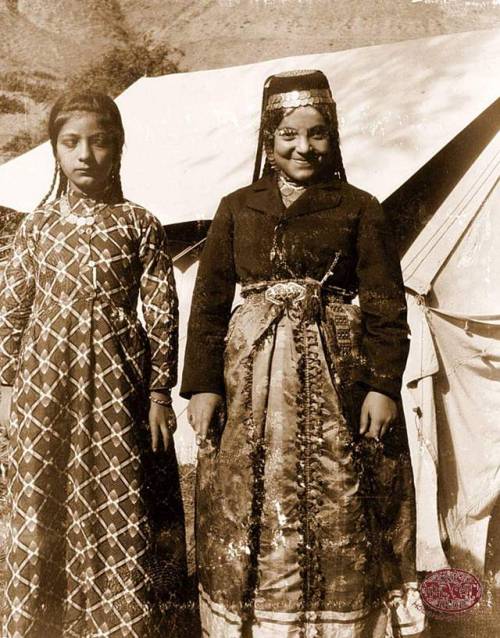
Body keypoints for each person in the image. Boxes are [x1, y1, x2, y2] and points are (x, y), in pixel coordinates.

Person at [181, 70, 426, 637]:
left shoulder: (360, 207)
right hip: (248, 385)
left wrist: (383, 386)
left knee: (347, 491)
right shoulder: (238, 207)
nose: (303, 147)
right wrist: (204, 385)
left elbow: (388, 305)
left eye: (317, 134)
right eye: (289, 135)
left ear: (333, 138)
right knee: (246, 493)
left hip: (341, 377)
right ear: (268, 142)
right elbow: (210, 303)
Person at [0, 91, 187, 637]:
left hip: (116, 390)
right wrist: (7, 392)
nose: (86, 155)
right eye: (71, 143)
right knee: (42, 505)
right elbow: (11, 313)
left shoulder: (138, 224)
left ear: (119, 148)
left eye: (100, 142)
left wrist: (157, 395)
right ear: (54, 151)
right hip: (44, 390)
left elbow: (160, 316)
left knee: (118, 504)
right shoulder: (36, 228)